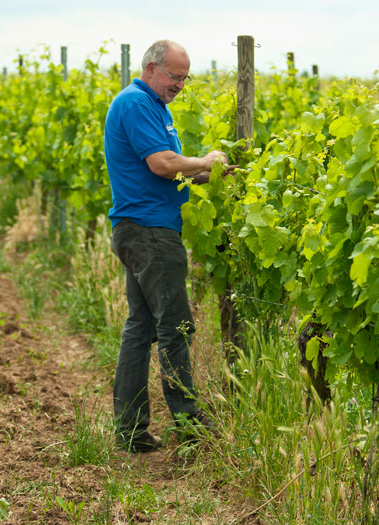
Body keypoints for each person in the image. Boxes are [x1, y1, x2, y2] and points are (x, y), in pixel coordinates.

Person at [104, 40, 233, 453]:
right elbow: (162, 163)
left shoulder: (155, 105)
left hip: (141, 227)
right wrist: (204, 158)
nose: (180, 84)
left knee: (141, 328)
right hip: (150, 232)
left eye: (184, 77)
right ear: (151, 68)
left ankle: (130, 430)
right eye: (175, 76)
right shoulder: (137, 103)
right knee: (176, 327)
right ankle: (191, 425)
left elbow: (167, 171)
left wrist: (208, 174)